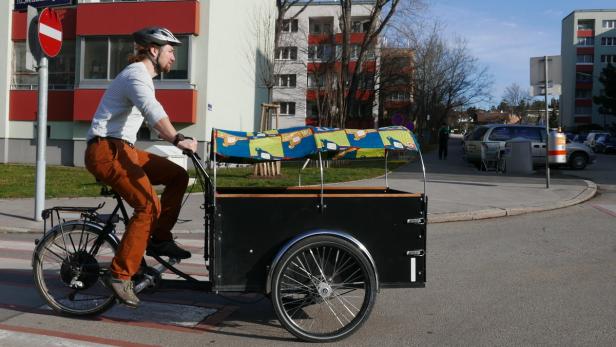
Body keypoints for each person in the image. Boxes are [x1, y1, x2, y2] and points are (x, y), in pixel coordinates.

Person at [84, 27, 198, 308]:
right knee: (147, 206)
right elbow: (152, 110)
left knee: (177, 176)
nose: (173, 57)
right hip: (106, 150)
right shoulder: (136, 75)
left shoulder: (143, 76)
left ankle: (159, 239)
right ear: (154, 50)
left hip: (124, 148)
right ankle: (120, 274)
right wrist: (177, 138)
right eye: (170, 51)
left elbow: (150, 111)